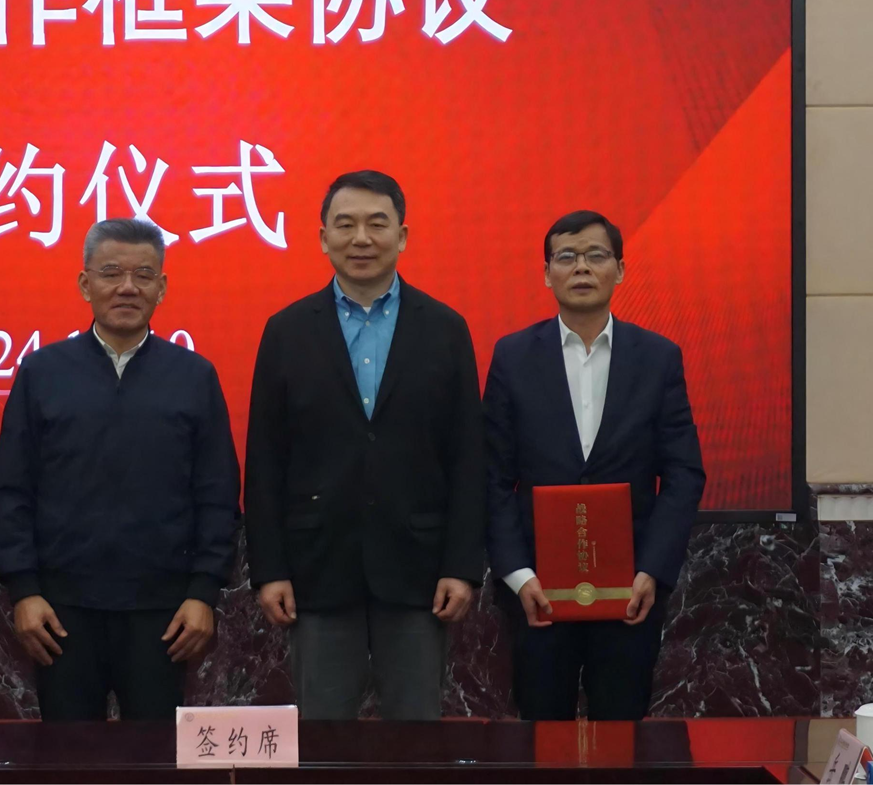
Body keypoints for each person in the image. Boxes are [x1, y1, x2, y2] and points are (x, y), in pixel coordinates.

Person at [244, 170, 485, 720]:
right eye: (345, 224)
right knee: (323, 738)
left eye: (377, 224)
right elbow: (265, 462)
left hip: (420, 573)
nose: (361, 239)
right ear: (322, 237)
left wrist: (462, 566)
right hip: (317, 570)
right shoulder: (286, 331)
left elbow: (468, 457)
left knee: (416, 737)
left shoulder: (445, 328)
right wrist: (270, 570)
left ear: (402, 236)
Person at [0, 218, 241, 721]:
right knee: (68, 754)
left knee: (156, 754)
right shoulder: (42, 372)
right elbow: (14, 490)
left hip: (164, 613)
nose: (127, 287)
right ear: (85, 284)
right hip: (60, 612)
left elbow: (217, 494)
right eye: (111, 273)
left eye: (143, 275)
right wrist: (25, 591)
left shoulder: (193, 376)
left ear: (161, 288)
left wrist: (203, 594)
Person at [484, 210, 706, 720]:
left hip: (630, 592)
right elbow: (492, 476)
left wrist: (653, 570)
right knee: (541, 735)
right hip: (537, 592)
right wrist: (518, 575)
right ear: (547, 273)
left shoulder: (658, 357)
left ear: (620, 270)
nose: (581, 267)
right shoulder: (513, 357)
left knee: (622, 734)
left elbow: (683, 473)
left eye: (596, 255)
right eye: (566, 256)